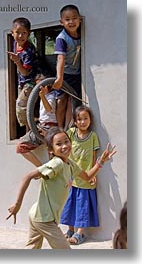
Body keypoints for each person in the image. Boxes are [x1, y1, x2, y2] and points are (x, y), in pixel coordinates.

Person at [6, 126, 116, 249]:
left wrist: (101, 161)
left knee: (32, 248)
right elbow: (28, 176)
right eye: (59, 144)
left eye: (66, 141)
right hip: (44, 219)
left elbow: (87, 177)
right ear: (51, 150)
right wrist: (17, 204)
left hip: (36, 213)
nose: (64, 146)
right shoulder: (56, 163)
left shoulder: (69, 164)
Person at [60, 105, 100, 245]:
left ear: (90, 120)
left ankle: (80, 233)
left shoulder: (93, 136)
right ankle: (70, 230)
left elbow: (95, 156)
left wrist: (94, 173)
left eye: (86, 118)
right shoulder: (71, 133)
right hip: (71, 176)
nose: (83, 122)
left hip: (85, 177)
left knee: (82, 206)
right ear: (75, 121)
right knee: (69, 204)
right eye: (79, 119)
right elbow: (62, 146)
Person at [16, 73, 58, 167]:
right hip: (42, 125)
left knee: (52, 152)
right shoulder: (44, 97)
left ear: (47, 85)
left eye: (41, 85)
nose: (39, 88)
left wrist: (42, 96)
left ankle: (48, 169)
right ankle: (41, 168)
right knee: (21, 147)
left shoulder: (51, 96)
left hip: (49, 127)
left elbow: (49, 109)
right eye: (37, 86)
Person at [53, 4, 82, 129]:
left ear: (80, 19)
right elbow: (60, 58)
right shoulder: (62, 38)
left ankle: (68, 127)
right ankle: (60, 127)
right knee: (61, 100)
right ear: (61, 22)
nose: (71, 22)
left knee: (72, 100)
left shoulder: (83, 34)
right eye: (67, 19)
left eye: (74, 18)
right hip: (64, 74)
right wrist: (59, 78)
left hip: (76, 74)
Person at [7, 17, 37, 131]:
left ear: (29, 34)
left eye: (24, 33)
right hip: (22, 82)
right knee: (25, 108)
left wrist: (17, 61)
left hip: (32, 81)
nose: (20, 36)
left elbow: (25, 72)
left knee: (22, 106)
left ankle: (31, 132)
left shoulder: (29, 51)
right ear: (12, 33)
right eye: (17, 33)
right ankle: (28, 132)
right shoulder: (15, 44)